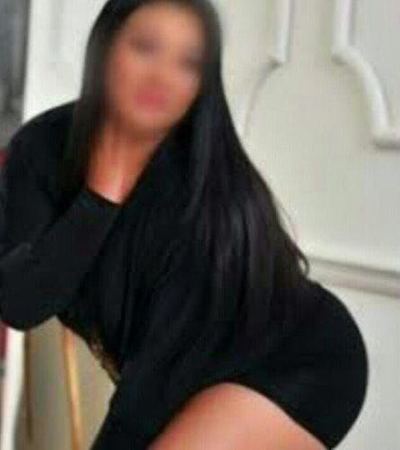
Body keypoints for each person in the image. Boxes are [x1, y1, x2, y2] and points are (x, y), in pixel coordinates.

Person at [0, 0, 369, 448]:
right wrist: (101, 196)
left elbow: (157, 377)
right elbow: (20, 301)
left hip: (293, 360)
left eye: (188, 63)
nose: (162, 76)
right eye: (145, 47)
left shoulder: (203, 179)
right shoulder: (42, 146)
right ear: (106, 46)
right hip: (184, 374)